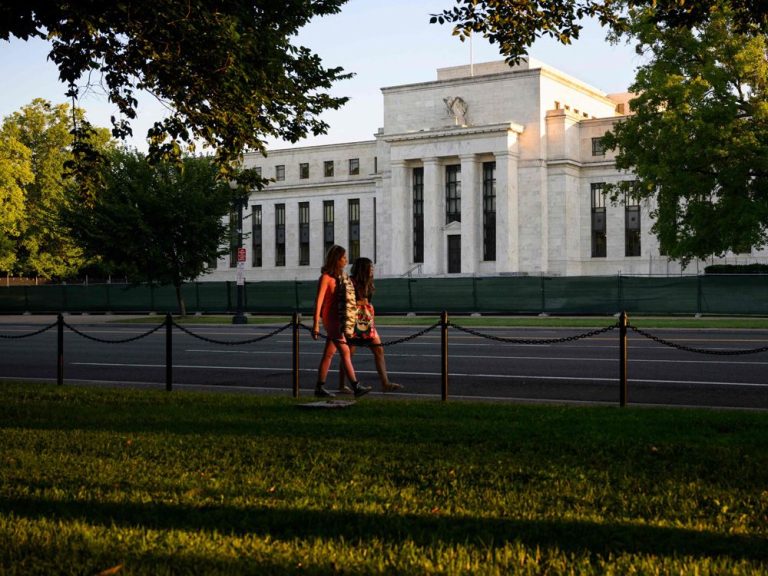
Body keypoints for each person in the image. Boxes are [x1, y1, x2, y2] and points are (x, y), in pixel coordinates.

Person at [311, 245, 371, 398]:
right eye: (343, 257)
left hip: (339, 319)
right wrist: (316, 323)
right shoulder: (326, 278)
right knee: (345, 352)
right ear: (336, 260)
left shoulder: (340, 277)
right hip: (331, 320)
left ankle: (319, 387)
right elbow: (319, 301)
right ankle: (356, 387)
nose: (346, 260)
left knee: (329, 354)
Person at [338, 257, 404, 394]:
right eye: (370, 267)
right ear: (363, 269)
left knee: (378, 349)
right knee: (349, 352)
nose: (372, 270)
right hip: (353, 321)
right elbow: (348, 302)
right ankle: (341, 384)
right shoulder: (350, 282)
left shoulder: (368, 283)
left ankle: (385, 383)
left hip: (366, 321)